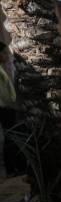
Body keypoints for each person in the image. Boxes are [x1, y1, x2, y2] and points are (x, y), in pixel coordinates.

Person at [0, 41, 19, 177]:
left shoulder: (1, 69)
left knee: (11, 137)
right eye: (4, 53)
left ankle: (13, 168)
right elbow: (4, 94)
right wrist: (11, 103)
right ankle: (12, 169)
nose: (6, 56)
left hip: (7, 107)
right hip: (4, 108)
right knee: (10, 137)